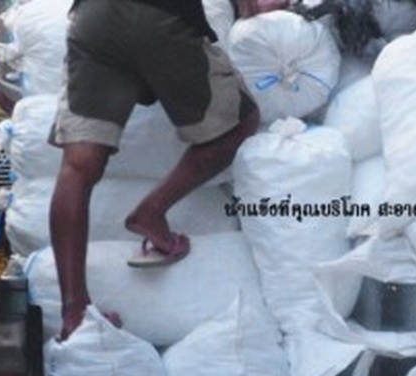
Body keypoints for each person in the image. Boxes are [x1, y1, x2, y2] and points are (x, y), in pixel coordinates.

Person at [49, 0, 289, 340]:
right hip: (158, 15)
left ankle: (74, 313)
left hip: (92, 18)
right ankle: (152, 210)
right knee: (241, 121)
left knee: (77, 167)